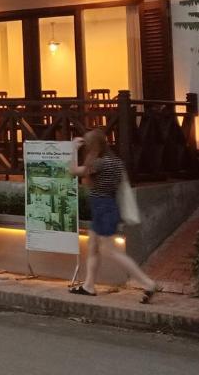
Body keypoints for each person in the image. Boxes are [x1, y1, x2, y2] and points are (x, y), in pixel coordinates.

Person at [68, 129, 158, 303]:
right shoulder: (115, 161)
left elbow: (73, 171)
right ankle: (89, 285)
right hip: (108, 205)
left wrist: (73, 149)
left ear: (94, 146)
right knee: (93, 246)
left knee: (111, 252)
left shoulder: (100, 163)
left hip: (103, 208)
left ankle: (148, 283)